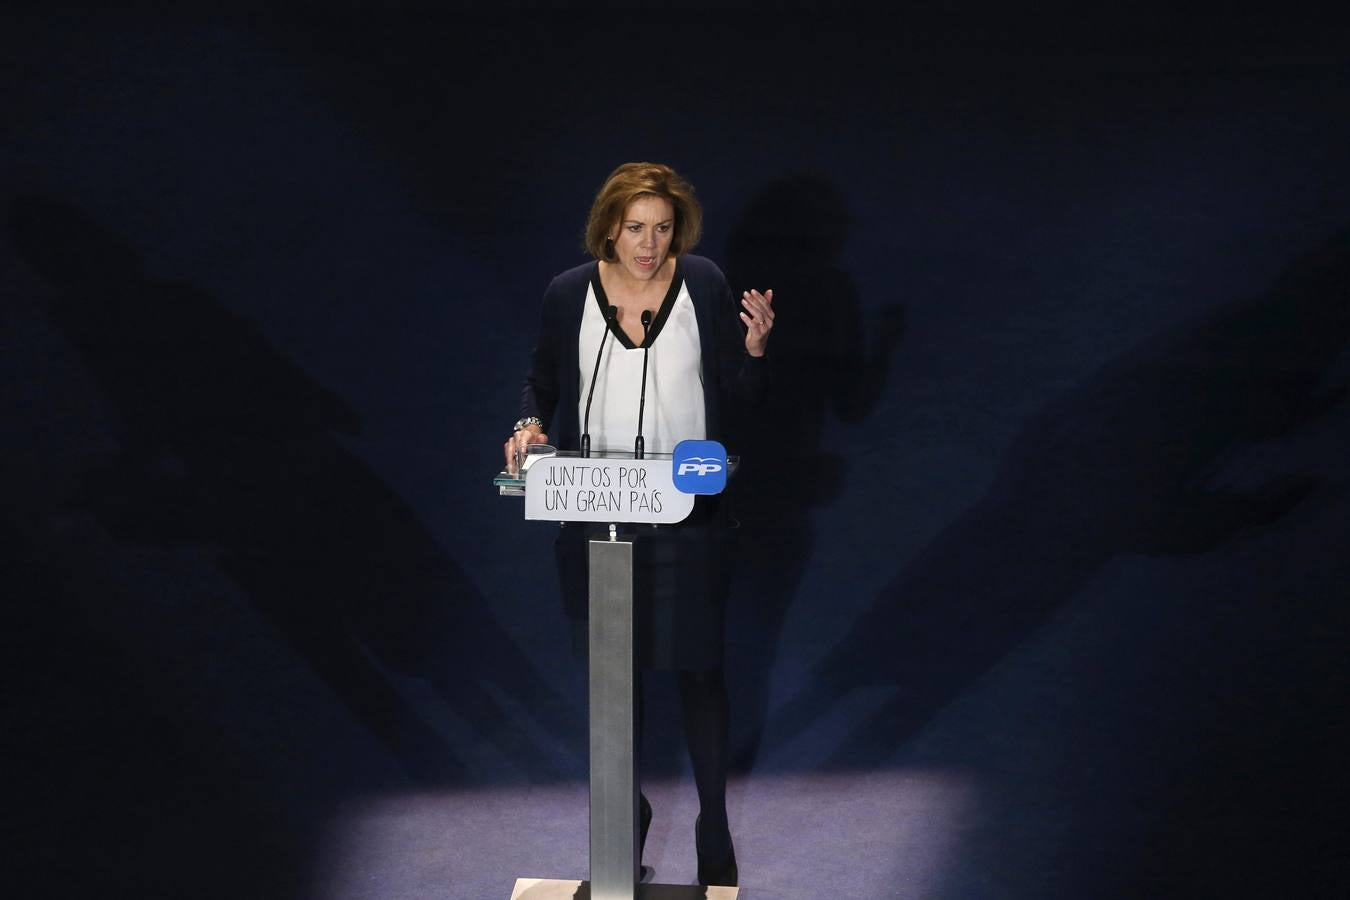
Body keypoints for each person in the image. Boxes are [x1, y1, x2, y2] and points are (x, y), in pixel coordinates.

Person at [502, 161, 774, 886]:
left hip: (690, 516)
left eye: (661, 229)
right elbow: (543, 380)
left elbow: (738, 395)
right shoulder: (568, 295)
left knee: (696, 672)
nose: (649, 245)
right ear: (609, 228)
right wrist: (528, 425)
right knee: (611, 679)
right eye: (635, 229)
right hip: (595, 518)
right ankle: (629, 814)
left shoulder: (705, 284)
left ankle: (713, 828)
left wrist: (752, 353)